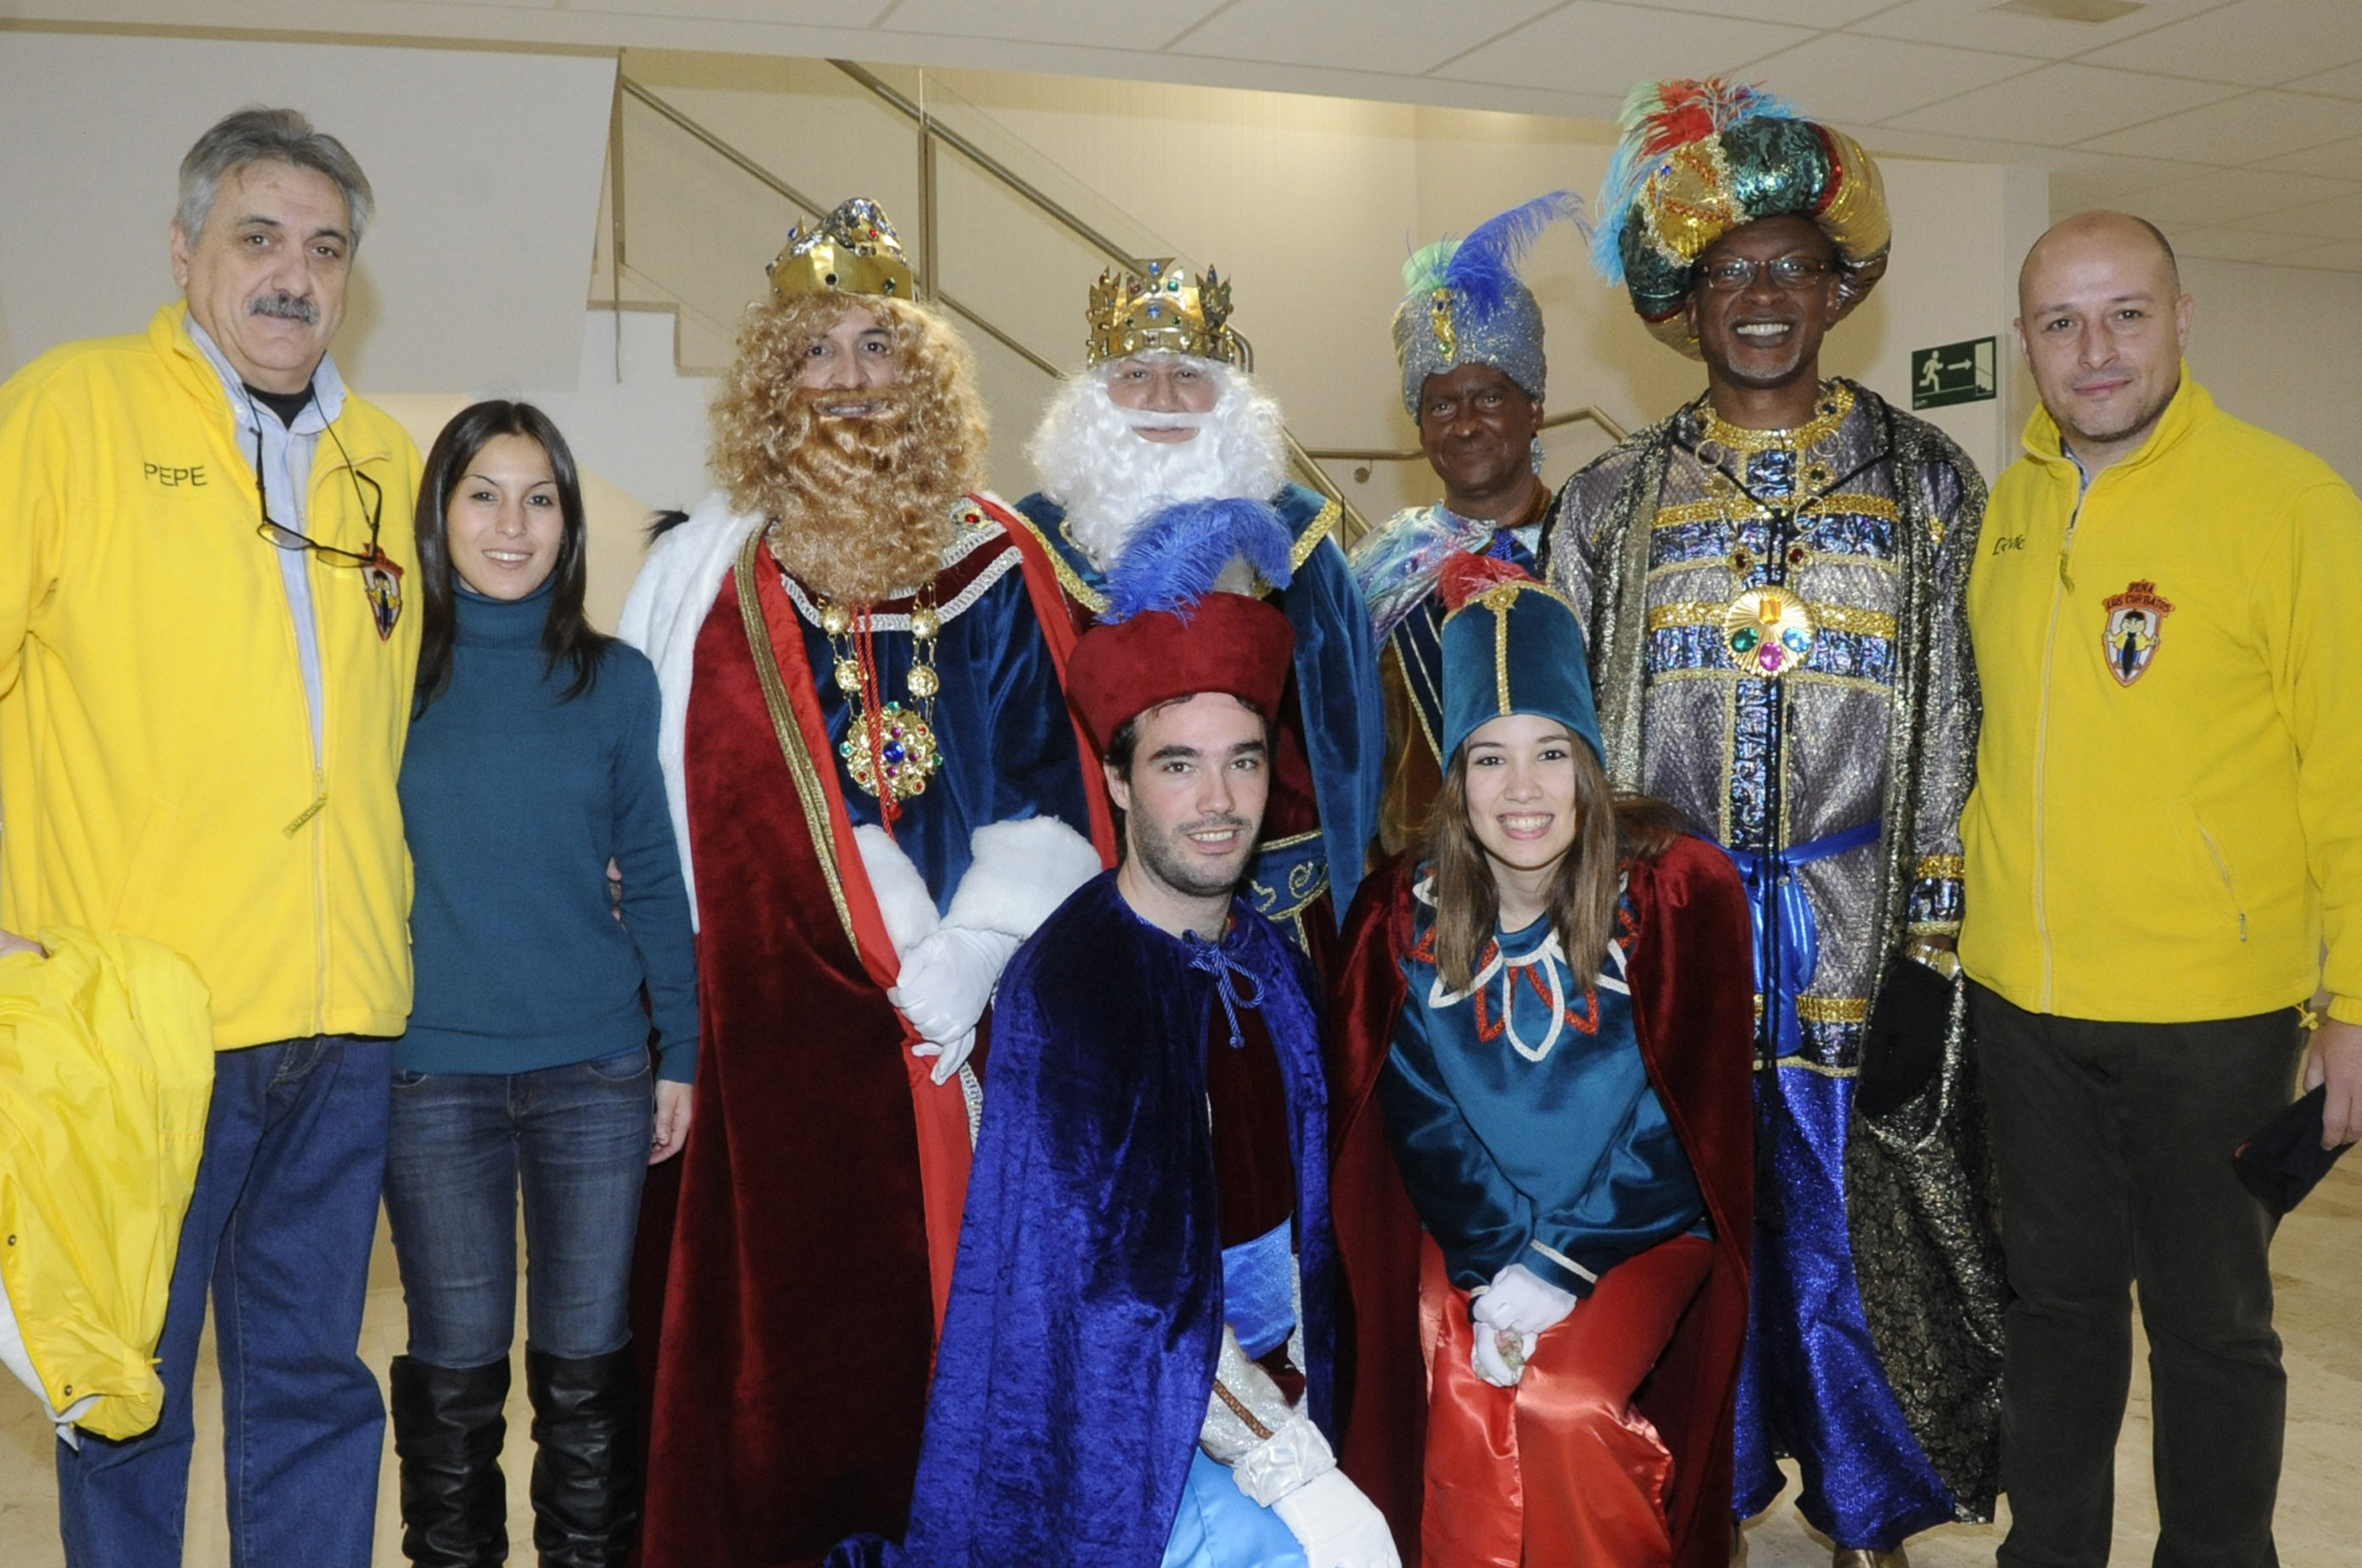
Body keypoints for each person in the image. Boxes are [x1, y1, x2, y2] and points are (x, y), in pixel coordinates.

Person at [616, 198, 1108, 1566]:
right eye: (816, 352)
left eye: (876, 349)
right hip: (782, 1036)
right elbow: (687, 803)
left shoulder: (998, 558)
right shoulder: (707, 573)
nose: (846, 382)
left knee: (976, 1309)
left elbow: (1047, 780)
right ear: (775, 383)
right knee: (802, 1339)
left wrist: (969, 950)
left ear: (922, 371)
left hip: (986, 1013)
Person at [1551, 79, 2003, 1565]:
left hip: (1857, 944)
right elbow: (1563, 749)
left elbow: (1951, 717)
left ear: (1837, 285)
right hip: (1663, 943)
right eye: (1728, 271)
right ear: (1683, 302)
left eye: (1788, 265)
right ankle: (1708, 1501)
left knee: (1852, 1249)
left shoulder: (1925, 484)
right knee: (1692, 1234)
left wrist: (1931, 939)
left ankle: (1865, 1511)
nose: (1759, 296)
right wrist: (1576, 926)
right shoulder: (1611, 503)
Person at [0, 107, 419, 1567]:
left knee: (312, 1382)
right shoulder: (70, 408)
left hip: (343, 1016)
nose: (294, 274)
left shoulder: (385, 459)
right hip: (140, 1023)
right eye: (259, 238)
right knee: (126, 1389)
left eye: (325, 247)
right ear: (184, 252)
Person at [862, 499, 1395, 1568]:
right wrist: (1294, 1464)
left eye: (1243, 762)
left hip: (1269, 1374)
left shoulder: (1268, 956)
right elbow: (1125, 1298)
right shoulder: (1075, 986)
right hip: (1134, 1416)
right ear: (1115, 779)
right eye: (1177, 764)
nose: (1218, 801)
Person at [1962, 209, 2362, 1568]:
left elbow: (2351, 775)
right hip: (2026, 1003)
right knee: (2057, 1317)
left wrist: (2354, 1004)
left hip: (2216, 1015)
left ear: (2183, 320)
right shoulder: (2006, 507)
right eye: (2062, 322)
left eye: (2126, 313)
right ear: (2025, 344)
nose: (2096, 350)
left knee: (2212, 1329)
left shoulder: (2288, 503)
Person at [1328, 554, 1755, 1567]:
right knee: (1468, 1395)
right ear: (1455, 775)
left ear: (1589, 765)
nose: (1522, 790)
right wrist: (1495, 1266)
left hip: (1641, 1231)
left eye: (1551, 754)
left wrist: (1559, 1264)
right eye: (1489, 758)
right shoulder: (1400, 914)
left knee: (1562, 1406)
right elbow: (1424, 1125)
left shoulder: (1679, 895)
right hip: (1476, 1234)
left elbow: (1680, 1117)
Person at [384, 401, 698, 1568]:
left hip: (596, 1075)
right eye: (483, 495)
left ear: (568, 525)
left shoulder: (617, 684)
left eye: (540, 498)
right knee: (455, 1385)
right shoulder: (387, 678)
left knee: (584, 1380)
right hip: (433, 1081)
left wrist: (683, 1052)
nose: (511, 525)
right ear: (441, 513)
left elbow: (655, 874)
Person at [1015, 260, 1384, 954]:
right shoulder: (1029, 547)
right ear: (1094, 397)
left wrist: (1354, 901)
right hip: (1081, 904)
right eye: (1135, 374)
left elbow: (1351, 751)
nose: (1162, 398)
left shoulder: (1301, 543)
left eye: (1188, 374)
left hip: (1282, 913)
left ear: (1228, 397)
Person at [1349, 192, 1581, 858]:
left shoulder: (1591, 548)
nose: (1466, 424)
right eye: (1441, 404)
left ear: (1534, 407)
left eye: (1488, 397)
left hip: (1583, 890)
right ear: (1419, 425)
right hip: (1419, 896)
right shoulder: (1378, 569)